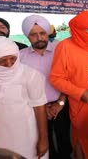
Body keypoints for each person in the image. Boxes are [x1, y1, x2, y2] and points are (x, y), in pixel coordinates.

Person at [50, 11, 88, 159]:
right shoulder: (64, 47)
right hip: (82, 104)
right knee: (82, 138)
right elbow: (55, 78)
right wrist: (81, 93)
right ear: (77, 30)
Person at [19, 15, 71, 159]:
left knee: (64, 140)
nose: (39, 37)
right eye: (33, 34)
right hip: (35, 109)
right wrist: (41, 108)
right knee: (43, 142)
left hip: (62, 104)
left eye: (42, 33)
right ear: (27, 36)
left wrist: (60, 102)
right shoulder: (20, 56)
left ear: (48, 32)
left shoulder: (61, 50)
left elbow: (70, 78)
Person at [0, 36, 48, 159]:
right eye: (1, 61)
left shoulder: (30, 75)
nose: (9, 64)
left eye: (13, 58)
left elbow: (40, 109)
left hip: (28, 134)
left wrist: (43, 139)